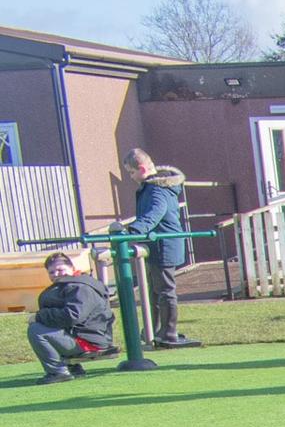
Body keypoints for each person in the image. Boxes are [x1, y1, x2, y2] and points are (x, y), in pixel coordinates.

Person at [119, 148, 199, 349]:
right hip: (156, 245)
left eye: (131, 172)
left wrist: (134, 230)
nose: (131, 177)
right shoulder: (152, 187)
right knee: (154, 290)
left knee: (165, 290)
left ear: (142, 169)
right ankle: (154, 330)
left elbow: (155, 213)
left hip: (164, 245)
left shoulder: (157, 190)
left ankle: (168, 333)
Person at [28, 252, 115, 385]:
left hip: (89, 341)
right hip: (85, 336)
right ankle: (73, 368)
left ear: (72, 268)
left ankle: (58, 372)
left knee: (36, 330)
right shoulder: (70, 285)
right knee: (46, 327)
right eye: (51, 272)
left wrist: (39, 316)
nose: (56, 274)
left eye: (60, 269)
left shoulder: (80, 287)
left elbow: (73, 316)